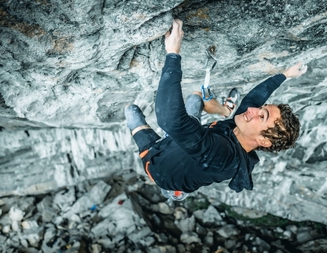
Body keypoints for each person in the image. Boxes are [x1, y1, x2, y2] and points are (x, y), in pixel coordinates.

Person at [125, 19, 307, 194]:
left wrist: (173, 53)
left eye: (262, 117)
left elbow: (170, 120)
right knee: (195, 100)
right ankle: (217, 114)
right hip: (182, 142)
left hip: (158, 166)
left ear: (264, 141)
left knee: (131, 111)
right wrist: (284, 75)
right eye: (263, 109)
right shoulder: (243, 131)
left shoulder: (223, 157)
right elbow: (254, 99)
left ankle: (174, 191)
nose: (253, 111)